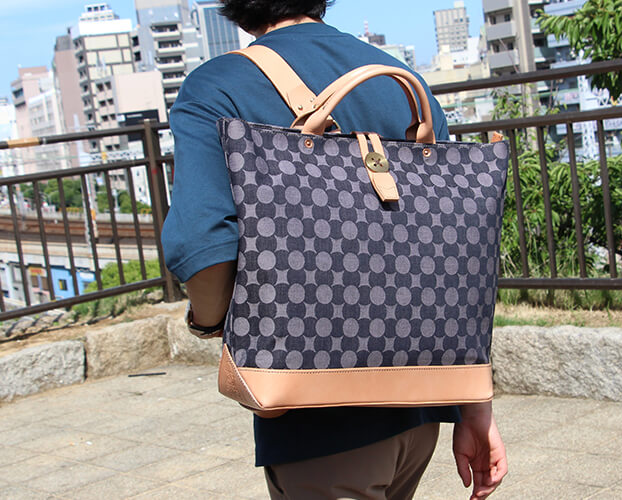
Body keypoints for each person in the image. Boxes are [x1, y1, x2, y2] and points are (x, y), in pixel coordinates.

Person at [161, 1, 508, 498]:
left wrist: (210, 323)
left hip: (318, 423)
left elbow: (202, 242)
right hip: (422, 407)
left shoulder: (219, 85)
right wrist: (476, 408)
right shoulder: (403, 81)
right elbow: (455, 259)